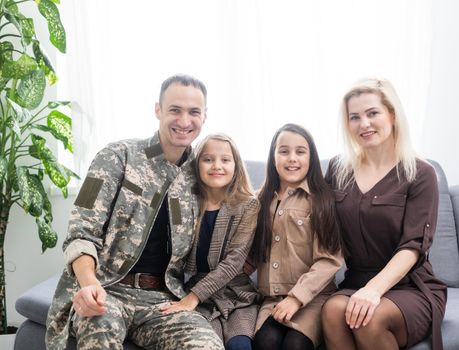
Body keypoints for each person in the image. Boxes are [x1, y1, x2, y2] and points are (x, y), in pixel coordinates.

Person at [46, 74, 224, 350]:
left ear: (204, 116)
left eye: (194, 112)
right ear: (158, 110)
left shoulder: (200, 174)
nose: (184, 121)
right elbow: (81, 232)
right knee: (98, 338)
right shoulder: (116, 156)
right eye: (175, 110)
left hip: (163, 301)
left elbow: (242, 197)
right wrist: (89, 284)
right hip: (107, 290)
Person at [321, 77, 447, 350]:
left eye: (372, 113)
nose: (363, 123)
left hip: (409, 286)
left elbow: (413, 247)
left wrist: (374, 291)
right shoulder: (337, 169)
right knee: (332, 311)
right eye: (354, 117)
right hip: (356, 280)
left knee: (369, 318)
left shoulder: (421, 173)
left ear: (392, 114)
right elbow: (314, 220)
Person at [160, 133, 260, 350]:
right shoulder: (186, 205)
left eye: (225, 160)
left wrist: (192, 298)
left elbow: (234, 261)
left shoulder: (248, 206)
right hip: (201, 299)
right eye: (208, 159)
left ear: (236, 166)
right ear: (197, 166)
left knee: (239, 346)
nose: (217, 166)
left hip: (237, 296)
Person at [250, 123, 343, 350]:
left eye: (300, 152)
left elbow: (329, 260)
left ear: (311, 158)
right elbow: (250, 251)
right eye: (284, 151)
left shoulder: (321, 200)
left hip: (313, 297)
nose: (292, 158)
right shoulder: (259, 201)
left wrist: (296, 298)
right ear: (273, 158)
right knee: (266, 342)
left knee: (295, 345)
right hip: (273, 299)